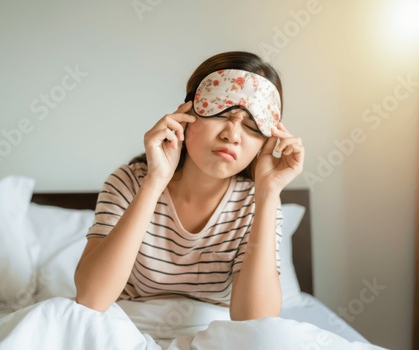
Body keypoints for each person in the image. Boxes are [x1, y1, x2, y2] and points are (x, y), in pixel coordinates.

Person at [74, 51, 304, 321]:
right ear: (185, 113)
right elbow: (91, 299)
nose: (232, 135)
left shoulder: (257, 202)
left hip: (211, 333)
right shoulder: (128, 183)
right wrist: (154, 182)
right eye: (221, 111)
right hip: (123, 326)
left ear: (266, 141)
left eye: (253, 126)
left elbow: (256, 323)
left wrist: (267, 195)